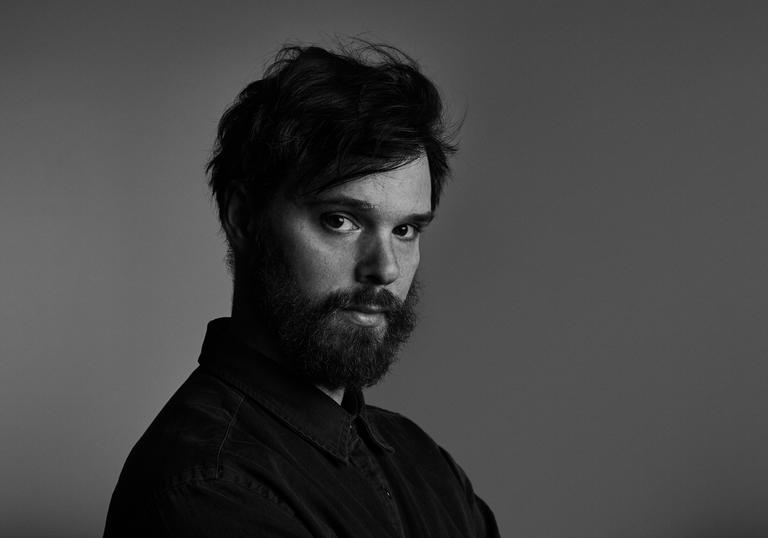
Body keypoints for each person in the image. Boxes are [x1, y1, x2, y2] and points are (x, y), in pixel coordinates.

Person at [103, 40, 499, 537]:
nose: (386, 270)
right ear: (245, 218)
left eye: (406, 230)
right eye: (341, 220)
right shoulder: (209, 485)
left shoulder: (423, 462)